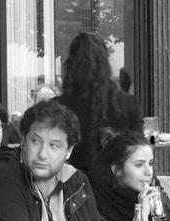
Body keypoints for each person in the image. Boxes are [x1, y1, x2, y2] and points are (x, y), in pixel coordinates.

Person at [54, 32, 143, 177]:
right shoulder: (128, 103)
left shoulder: (59, 107)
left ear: (70, 65)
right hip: (119, 187)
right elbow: (139, 152)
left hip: (73, 187)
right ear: (105, 63)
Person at [89, 130, 170, 221]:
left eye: (150, 163)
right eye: (139, 165)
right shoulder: (97, 206)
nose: (148, 172)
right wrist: (142, 218)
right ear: (117, 169)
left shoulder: (157, 197)